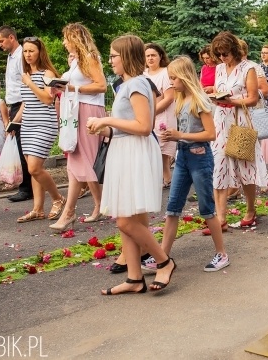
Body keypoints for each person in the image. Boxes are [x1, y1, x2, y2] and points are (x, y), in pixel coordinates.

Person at [87, 35, 175, 294]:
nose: (110, 60)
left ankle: (164, 261)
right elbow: (128, 128)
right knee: (130, 217)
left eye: (113, 55)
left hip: (134, 154)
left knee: (126, 221)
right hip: (126, 150)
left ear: (125, 57)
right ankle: (135, 279)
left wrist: (108, 121)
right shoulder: (128, 84)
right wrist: (103, 130)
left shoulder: (136, 84)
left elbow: (144, 126)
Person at [158, 56, 229, 271]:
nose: (171, 83)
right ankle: (162, 256)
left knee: (207, 208)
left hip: (200, 158)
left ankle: (221, 253)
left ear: (184, 77)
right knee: (172, 208)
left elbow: (211, 134)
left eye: (174, 78)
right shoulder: (180, 100)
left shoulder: (199, 100)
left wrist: (179, 134)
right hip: (183, 158)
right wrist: (174, 137)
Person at [209, 31, 268, 234]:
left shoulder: (248, 68)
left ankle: (251, 209)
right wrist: (214, 94)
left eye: (225, 53)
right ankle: (221, 218)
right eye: (219, 54)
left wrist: (231, 101)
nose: (222, 57)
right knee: (218, 165)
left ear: (234, 50)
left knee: (245, 166)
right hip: (220, 122)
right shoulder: (218, 68)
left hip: (241, 120)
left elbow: (253, 98)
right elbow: (220, 89)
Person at [49, 23, 107, 231]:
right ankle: (76, 210)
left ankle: (75, 211)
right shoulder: (75, 62)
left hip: (89, 110)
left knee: (88, 160)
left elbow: (101, 86)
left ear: (75, 38)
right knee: (75, 158)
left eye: (66, 38)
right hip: (75, 111)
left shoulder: (90, 57)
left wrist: (72, 87)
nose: (64, 42)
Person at [12, 37, 66, 223]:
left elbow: (47, 99)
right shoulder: (26, 75)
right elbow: (26, 103)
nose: (27, 55)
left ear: (39, 52)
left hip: (44, 124)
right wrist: (14, 122)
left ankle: (58, 198)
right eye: (25, 51)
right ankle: (38, 209)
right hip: (27, 125)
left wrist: (29, 83)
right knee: (34, 169)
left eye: (31, 51)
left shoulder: (47, 73)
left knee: (34, 167)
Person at [0, 26, 32, 202]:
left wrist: (20, 112)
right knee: (18, 145)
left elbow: (26, 84)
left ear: (11, 37)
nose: (0, 45)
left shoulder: (21, 57)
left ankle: (27, 188)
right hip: (13, 104)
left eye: (1, 41)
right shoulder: (11, 57)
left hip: (21, 104)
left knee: (22, 146)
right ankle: (25, 185)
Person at [143, 43, 177, 189]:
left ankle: (167, 178)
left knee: (163, 149)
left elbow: (169, 98)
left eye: (153, 55)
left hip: (163, 115)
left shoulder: (165, 72)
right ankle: (161, 178)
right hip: (147, 116)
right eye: (147, 56)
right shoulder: (143, 74)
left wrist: (152, 111)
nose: (150, 58)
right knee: (151, 148)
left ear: (160, 56)